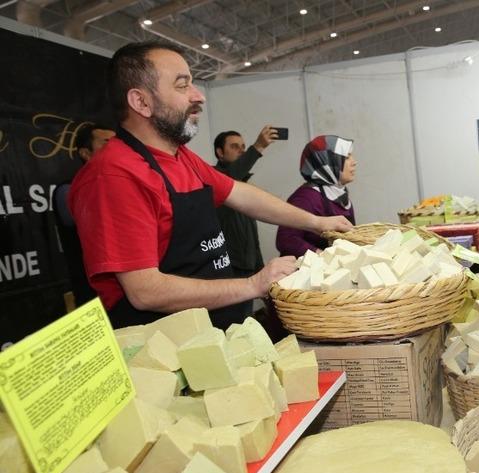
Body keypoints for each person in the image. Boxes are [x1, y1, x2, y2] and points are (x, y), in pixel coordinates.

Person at [68, 41, 352, 329]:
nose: (198, 96)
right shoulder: (113, 175)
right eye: (182, 86)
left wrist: (317, 222)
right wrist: (253, 284)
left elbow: (241, 194)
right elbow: (145, 291)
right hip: (169, 342)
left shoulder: (181, 157)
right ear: (141, 102)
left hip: (216, 327)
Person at [213, 126, 279, 317]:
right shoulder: (215, 180)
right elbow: (229, 178)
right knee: (230, 323)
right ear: (220, 152)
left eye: (243, 147)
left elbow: (251, 236)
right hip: (226, 273)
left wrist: (260, 270)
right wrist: (257, 147)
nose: (241, 150)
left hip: (247, 270)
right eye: (234, 147)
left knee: (244, 323)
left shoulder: (243, 185)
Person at [54, 124, 115, 306]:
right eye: (107, 143)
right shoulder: (68, 190)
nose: (115, 148)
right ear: (85, 153)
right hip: (92, 295)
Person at [276, 135, 357, 257]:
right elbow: (286, 240)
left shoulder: (340, 194)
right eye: (347, 157)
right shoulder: (306, 198)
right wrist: (322, 256)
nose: (354, 162)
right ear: (328, 161)